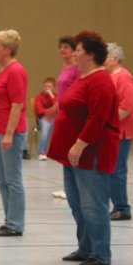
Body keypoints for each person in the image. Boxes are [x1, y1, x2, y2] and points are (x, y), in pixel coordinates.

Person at [47, 30, 120, 265]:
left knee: (93, 205)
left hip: (91, 154)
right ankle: (85, 247)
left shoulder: (100, 80)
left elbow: (97, 118)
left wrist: (80, 144)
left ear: (90, 55)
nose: (74, 54)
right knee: (78, 204)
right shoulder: (83, 78)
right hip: (74, 156)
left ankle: (100, 253)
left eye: (78, 50)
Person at [0, 29, 28, 237]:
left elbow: (17, 104)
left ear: (8, 49)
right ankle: (9, 220)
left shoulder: (15, 71)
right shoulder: (2, 71)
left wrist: (9, 134)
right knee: (2, 179)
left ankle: (15, 224)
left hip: (10, 133)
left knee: (13, 179)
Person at [105, 43, 133, 221]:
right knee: (111, 169)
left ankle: (122, 208)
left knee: (117, 170)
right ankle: (117, 205)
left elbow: (127, 107)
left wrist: (108, 124)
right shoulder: (110, 77)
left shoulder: (124, 77)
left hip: (120, 130)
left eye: (105, 57)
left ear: (114, 59)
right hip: (112, 130)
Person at [52, 35, 81, 199]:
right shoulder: (64, 66)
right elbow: (61, 92)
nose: (62, 50)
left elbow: (76, 91)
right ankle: (68, 187)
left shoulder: (77, 68)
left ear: (73, 50)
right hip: (62, 113)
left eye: (66, 47)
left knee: (72, 152)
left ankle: (75, 187)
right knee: (65, 152)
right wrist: (55, 107)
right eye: (60, 47)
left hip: (72, 115)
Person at [34, 78, 57, 160]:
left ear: (53, 87)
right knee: (46, 129)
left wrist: (52, 96)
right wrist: (50, 112)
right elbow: (39, 110)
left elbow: (59, 108)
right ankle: (42, 152)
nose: (47, 88)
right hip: (42, 119)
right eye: (45, 86)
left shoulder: (56, 97)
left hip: (54, 118)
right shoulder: (39, 97)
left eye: (49, 86)